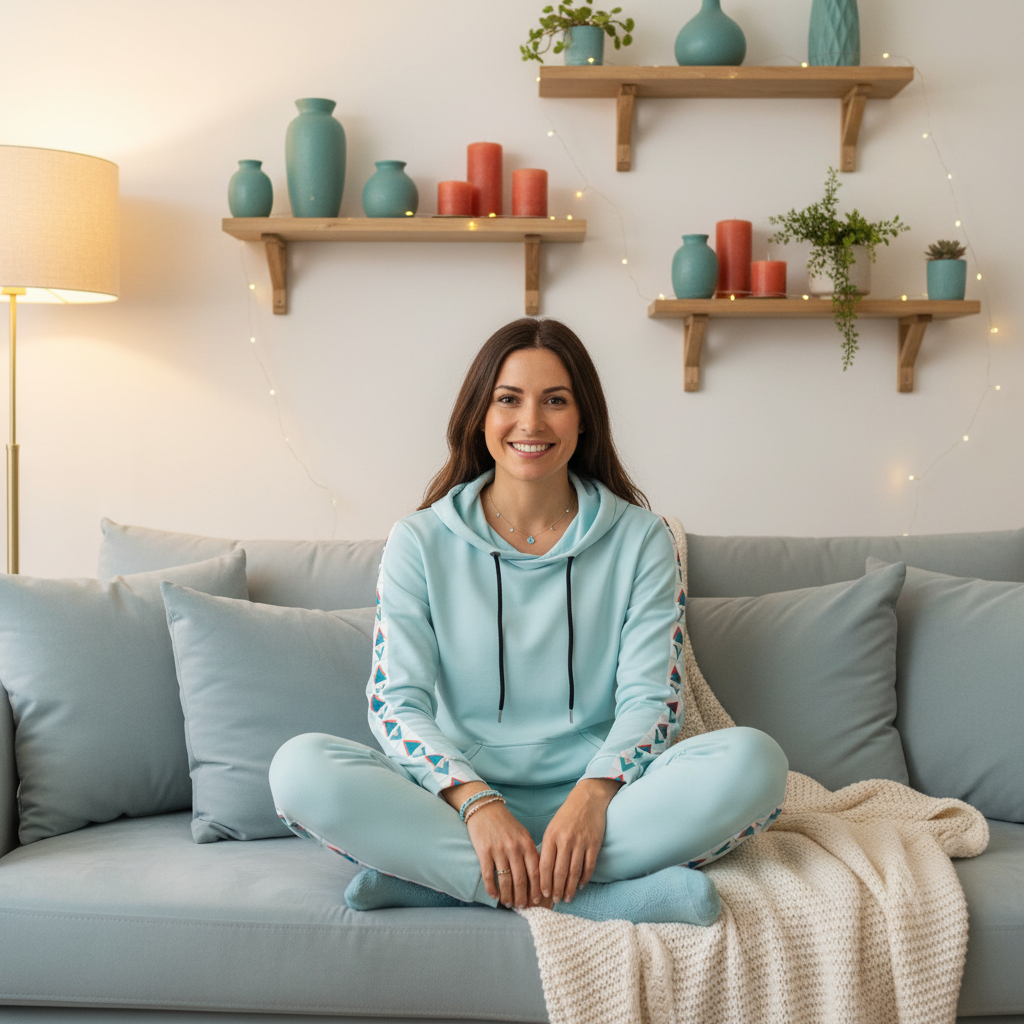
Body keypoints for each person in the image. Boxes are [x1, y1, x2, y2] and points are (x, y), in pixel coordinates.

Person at [269, 317, 788, 924]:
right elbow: (395, 704)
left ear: (583, 417)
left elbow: (653, 700)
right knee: (299, 769)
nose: (531, 423)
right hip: (459, 807)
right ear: (479, 416)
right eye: (508, 400)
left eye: (556, 401)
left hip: (608, 807)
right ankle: (603, 895)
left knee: (756, 763)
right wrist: (478, 805)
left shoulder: (643, 539)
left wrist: (593, 796)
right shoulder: (418, 540)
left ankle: (441, 881)